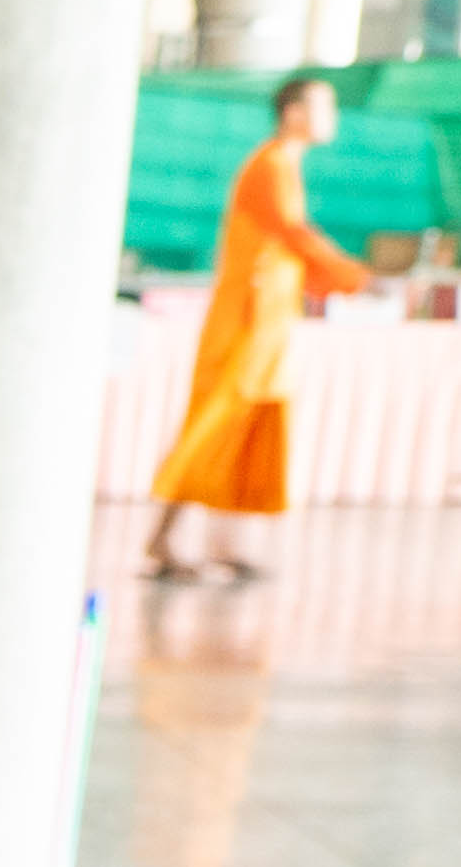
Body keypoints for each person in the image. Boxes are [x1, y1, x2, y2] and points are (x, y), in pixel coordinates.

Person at [147, 73, 363, 587]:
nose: (331, 118)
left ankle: (225, 543)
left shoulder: (285, 165)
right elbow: (292, 233)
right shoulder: (269, 166)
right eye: (323, 106)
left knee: (247, 426)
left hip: (268, 320)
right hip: (245, 320)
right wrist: (354, 278)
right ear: (293, 112)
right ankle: (163, 537)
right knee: (217, 421)